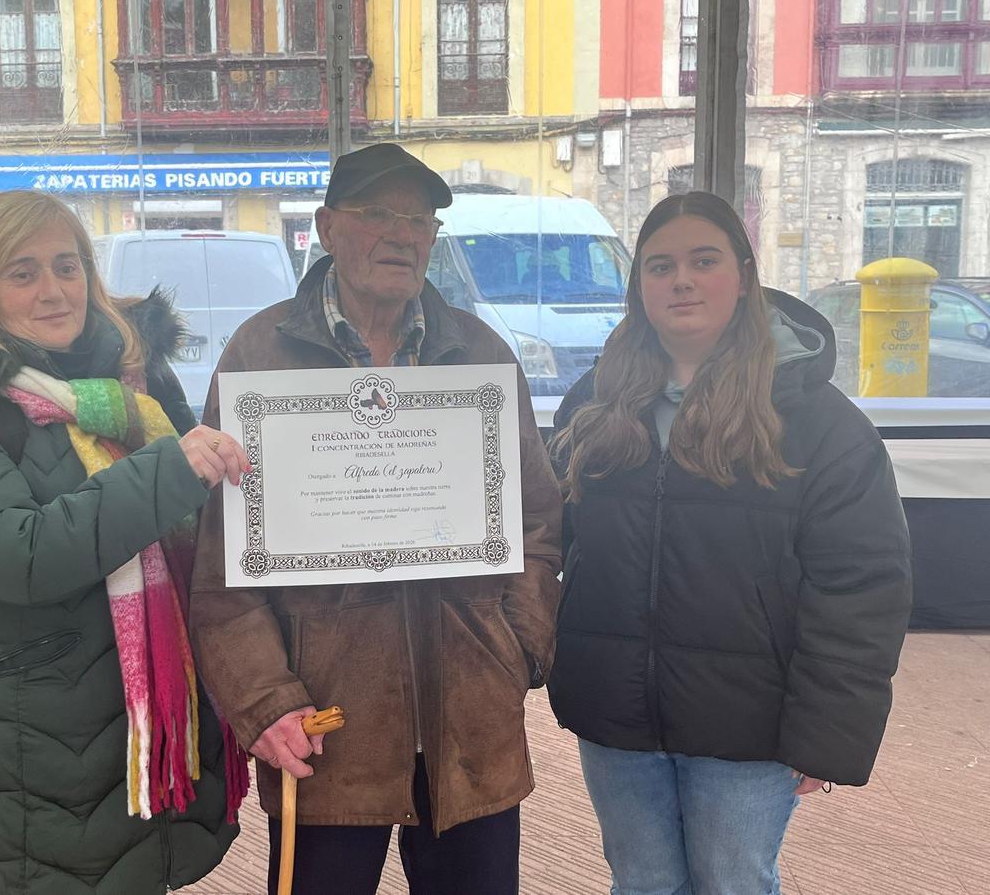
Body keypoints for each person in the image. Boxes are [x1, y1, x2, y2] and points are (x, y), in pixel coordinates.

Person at [188, 143, 563, 895]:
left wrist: (516, 644)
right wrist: (264, 701)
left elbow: (537, 521)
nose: (402, 234)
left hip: (471, 731)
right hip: (324, 725)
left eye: (419, 219)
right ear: (326, 228)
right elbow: (221, 564)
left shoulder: (480, 353)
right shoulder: (260, 354)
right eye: (377, 214)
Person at [549, 191, 912, 895]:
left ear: (744, 275)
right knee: (643, 882)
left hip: (749, 722)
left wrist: (827, 729)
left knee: (732, 882)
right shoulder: (595, 406)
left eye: (702, 260)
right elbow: (546, 537)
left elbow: (861, 586)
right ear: (639, 289)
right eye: (659, 267)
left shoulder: (820, 424)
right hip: (617, 716)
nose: (680, 279)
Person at [0, 190, 251, 894]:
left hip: (137, 742)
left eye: (66, 266)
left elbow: (198, 532)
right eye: (21, 273)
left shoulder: (138, 390)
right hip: (28, 747)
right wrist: (168, 472)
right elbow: (13, 554)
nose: (53, 290)